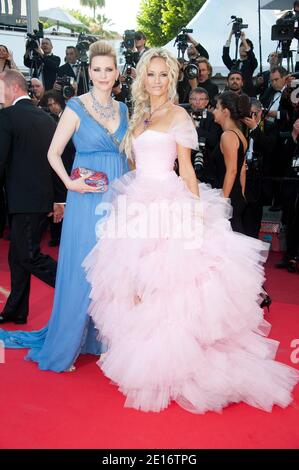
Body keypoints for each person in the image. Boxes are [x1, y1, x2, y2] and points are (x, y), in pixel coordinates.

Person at [83, 48, 299, 414]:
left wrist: (195, 212)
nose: (156, 81)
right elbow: (135, 163)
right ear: (141, 79)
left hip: (169, 201)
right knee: (136, 288)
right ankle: (150, 361)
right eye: (150, 75)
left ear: (172, 77)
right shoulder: (139, 117)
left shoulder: (179, 114)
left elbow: (186, 168)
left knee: (172, 288)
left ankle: (178, 368)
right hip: (137, 202)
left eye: (163, 74)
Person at [0, 41, 129, 372]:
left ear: (117, 73)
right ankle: (68, 342)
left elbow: (127, 155)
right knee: (84, 267)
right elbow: (53, 153)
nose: (103, 75)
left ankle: (103, 338)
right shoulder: (75, 106)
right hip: (86, 197)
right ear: (89, 71)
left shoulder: (124, 109)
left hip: (117, 196)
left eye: (108, 69)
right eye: (96, 69)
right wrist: (70, 184)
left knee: (114, 268)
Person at [0, 70, 64, 325]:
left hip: (22, 200)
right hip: (40, 199)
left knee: (27, 255)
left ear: (13, 88)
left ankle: (73, 286)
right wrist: (59, 199)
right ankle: (16, 310)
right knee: (17, 256)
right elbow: (58, 160)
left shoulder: (7, 116)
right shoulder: (46, 118)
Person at [212, 91, 248, 234]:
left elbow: (232, 171)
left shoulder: (228, 136)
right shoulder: (239, 134)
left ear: (225, 112)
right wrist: (242, 194)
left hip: (227, 196)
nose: (213, 111)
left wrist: (223, 202)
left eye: (216, 107)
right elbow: (242, 170)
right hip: (235, 194)